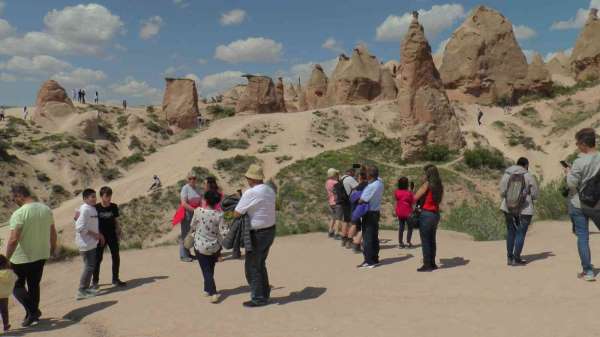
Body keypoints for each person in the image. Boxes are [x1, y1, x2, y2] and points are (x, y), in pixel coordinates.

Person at [6, 184, 56, 327]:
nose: (14, 201)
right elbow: (53, 232)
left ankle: (33, 311)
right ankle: (31, 316)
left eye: (14, 198)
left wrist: (6, 258)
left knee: (16, 286)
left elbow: (13, 239)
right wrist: (52, 248)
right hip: (41, 254)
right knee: (34, 285)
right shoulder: (46, 209)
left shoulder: (19, 213)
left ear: (20, 196)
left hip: (21, 258)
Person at [234, 164, 276, 307]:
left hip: (257, 233)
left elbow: (237, 213)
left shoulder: (250, 193)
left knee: (252, 266)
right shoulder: (269, 190)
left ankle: (258, 298)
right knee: (260, 263)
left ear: (251, 178)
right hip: (270, 230)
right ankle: (264, 293)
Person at [566, 128, 600, 281]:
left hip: (579, 203)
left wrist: (568, 172)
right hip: (597, 203)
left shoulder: (579, 162)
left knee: (583, 237)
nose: (577, 146)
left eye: (578, 143)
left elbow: (571, 184)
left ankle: (588, 271)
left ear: (584, 144)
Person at [499, 157, 539, 266]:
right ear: (526, 165)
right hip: (525, 209)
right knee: (520, 233)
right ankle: (517, 258)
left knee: (510, 232)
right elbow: (535, 194)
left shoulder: (507, 174)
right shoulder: (528, 176)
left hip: (508, 207)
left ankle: (509, 257)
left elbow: (502, 192)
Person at [192, 191, 225, 304]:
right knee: (210, 269)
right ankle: (207, 288)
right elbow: (224, 231)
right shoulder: (219, 214)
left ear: (205, 200)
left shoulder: (198, 211)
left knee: (206, 270)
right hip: (214, 247)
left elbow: (193, 225)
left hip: (200, 246)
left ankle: (213, 292)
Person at [93, 186, 126, 288]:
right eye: (107, 195)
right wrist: (98, 234)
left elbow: (116, 221)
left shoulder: (114, 206)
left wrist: (119, 231)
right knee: (98, 259)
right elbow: (92, 222)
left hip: (112, 235)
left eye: (110, 195)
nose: (109, 198)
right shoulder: (96, 208)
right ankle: (95, 282)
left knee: (116, 256)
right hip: (100, 236)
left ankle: (115, 279)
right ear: (101, 196)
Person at [75, 189, 104, 300]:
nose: (94, 198)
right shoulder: (85, 209)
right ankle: (81, 290)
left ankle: (85, 289)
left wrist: (99, 235)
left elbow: (91, 225)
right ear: (85, 199)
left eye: (94, 196)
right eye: (91, 197)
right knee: (89, 267)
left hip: (91, 243)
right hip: (85, 244)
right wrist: (94, 235)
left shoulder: (92, 208)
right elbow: (79, 227)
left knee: (91, 266)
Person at [414, 165, 444, 272]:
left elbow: (415, 197)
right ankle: (432, 263)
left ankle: (427, 264)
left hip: (426, 214)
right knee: (432, 239)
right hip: (435, 214)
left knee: (425, 240)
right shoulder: (439, 185)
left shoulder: (427, 184)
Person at [357, 166, 384, 269]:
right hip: (376, 212)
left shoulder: (371, 186)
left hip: (369, 213)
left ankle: (369, 261)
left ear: (370, 175)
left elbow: (362, 200)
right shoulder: (380, 183)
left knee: (367, 238)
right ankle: (374, 258)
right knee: (374, 236)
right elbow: (377, 177)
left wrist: (356, 197)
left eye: (366, 173)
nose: (365, 175)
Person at [176, 171, 203, 262]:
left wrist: (201, 210)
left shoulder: (197, 189)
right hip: (187, 213)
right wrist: (194, 210)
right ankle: (183, 255)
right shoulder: (185, 188)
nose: (192, 180)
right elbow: (183, 203)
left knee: (193, 234)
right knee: (185, 234)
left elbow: (201, 200)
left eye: (194, 178)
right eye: (190, 178)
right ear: (187, 179)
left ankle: (189, 254)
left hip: (196, 214)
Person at [347, 169, 368, 252]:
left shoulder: (357, 187)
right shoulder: (368, 186)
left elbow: (352, 198)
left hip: (355, 208)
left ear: (360, 178)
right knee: (364, 227)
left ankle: (349, 242)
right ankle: (356, 245)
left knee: (355, 225)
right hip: (364, 208)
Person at [339, 168, 359, 247]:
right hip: (349, 201)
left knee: (345, 220)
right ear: (351, 173)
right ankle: (349, 240)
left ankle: (343, 239)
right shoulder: (350, 179)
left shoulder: (342, 178)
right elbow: (358, 187)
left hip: (343, 201)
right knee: (353, 221)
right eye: (354, 173)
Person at [395, 177, 415, 249]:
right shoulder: (409, 193)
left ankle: (400, 243)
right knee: (410, 227)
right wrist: (412, 191)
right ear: (407, 184)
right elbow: (413, 201)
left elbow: (397, 198)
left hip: (400, 211)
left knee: (401, 227)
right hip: (408, 212)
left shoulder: (397, 192)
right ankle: (408, 242)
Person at [0, 255, 16, 332]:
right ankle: (6, 324)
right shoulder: (9, 273)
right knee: (4, 310)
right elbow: (15, 279)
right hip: (4, 295)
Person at [325, 168, 342, 239]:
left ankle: (330, 231)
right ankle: (336, 233)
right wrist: (339, 178)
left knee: (333, 217)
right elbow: (341, 186)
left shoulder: (327, 182)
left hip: (331, 202)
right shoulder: (335, 182)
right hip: (337, 201)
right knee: (338, 218)